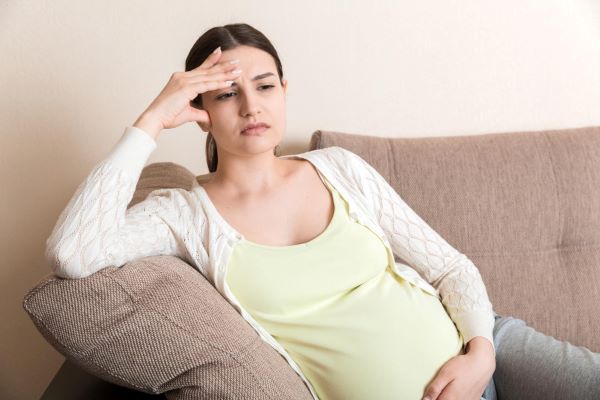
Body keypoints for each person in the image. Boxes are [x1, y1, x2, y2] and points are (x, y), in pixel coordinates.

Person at [45, 23, 600, 400]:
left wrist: (480, 352)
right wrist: (150, 120)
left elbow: (450, 266)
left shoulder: (338, 166)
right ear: (200, 111)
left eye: (264, 86)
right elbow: (72, 253)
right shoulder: (184, 214)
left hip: (489, 348)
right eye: (226, 93)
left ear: (285, 91)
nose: (251, 105)